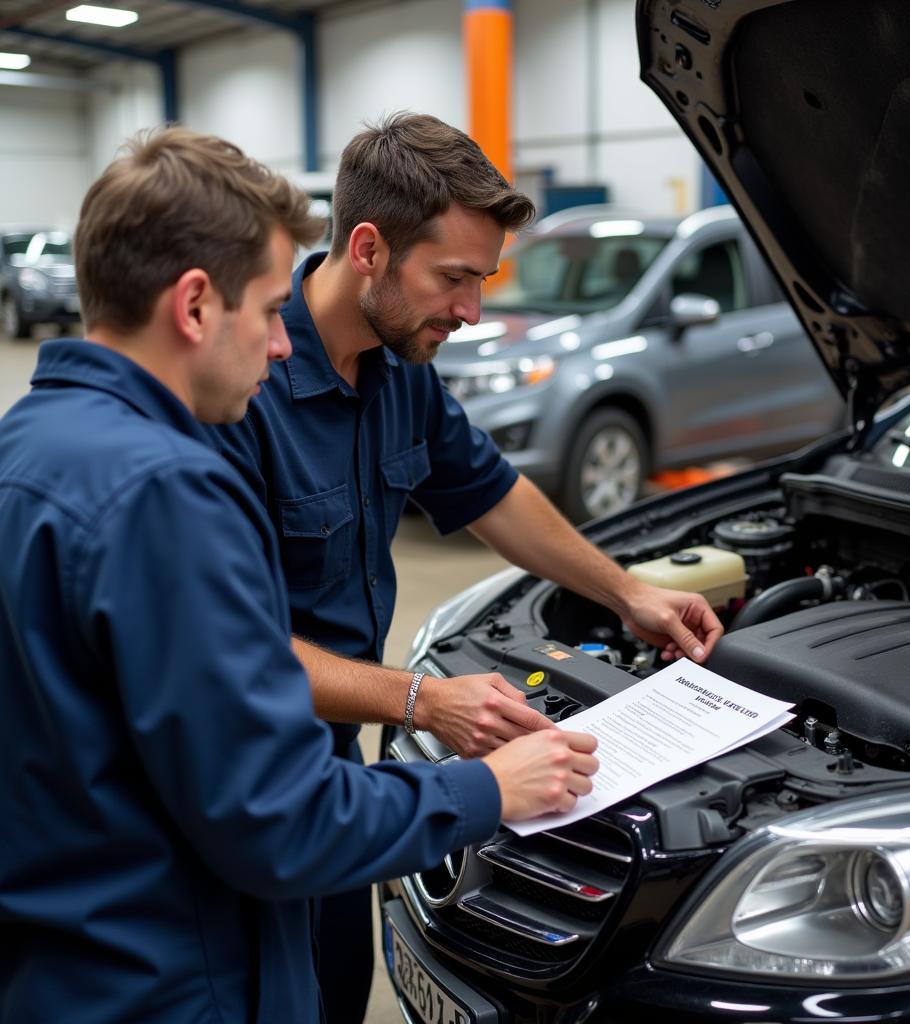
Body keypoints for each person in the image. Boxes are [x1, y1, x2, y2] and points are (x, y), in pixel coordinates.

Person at [0, 126, 599, 1024]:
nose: (283, 345)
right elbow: (275, 819)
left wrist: (625, 591)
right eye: (270, 309)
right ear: (196, 305)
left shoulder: (27, 445)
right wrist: (485, 788)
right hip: (174, 968)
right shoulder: (165, 490)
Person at [209, 111, 724, 1024]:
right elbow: (230, 650)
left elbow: (490, 491)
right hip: (240, 791)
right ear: (369, 248)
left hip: (342, 776)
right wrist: (423, 700)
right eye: (454, 279)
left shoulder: (398, 367)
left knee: (333, 992)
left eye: (482, 282)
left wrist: (630, 591)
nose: (472, 311)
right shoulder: (244, 385)